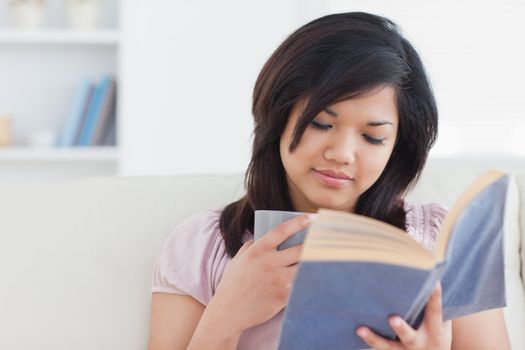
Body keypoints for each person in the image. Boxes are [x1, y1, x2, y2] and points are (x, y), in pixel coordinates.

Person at [147, 12, 511, 350]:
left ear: (397, 146)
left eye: (373, 137)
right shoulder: (202, 247)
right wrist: (225, 317)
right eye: (322, 124)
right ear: (278, 117)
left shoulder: (445, 239)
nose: (342, 153)